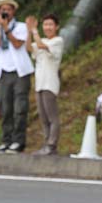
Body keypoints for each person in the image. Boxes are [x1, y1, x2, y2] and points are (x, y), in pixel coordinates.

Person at [0, 0, 34, 153]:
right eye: (2, 9)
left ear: (13, 11)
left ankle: (18, 140)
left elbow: (16, 44)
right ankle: (6, 140)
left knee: (20, 108)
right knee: (5, 107)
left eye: (8, 9)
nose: (5, 12)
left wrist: (6, 27)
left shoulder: (21, 27)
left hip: (20, 71)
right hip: (3, 72)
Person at [26, 13, 64, 156]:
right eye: (45, 24)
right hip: (40, 84)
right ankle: (46, 143)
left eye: (50, 25)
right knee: (43, 117)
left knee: (52, 116)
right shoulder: (40, 39)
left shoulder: (57, 41)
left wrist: (34, 32)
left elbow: (42, 46)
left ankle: (52, 144)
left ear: (56, 27)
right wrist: (29, 32)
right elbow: (29, 47)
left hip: (50, 83)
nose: (47, 27)